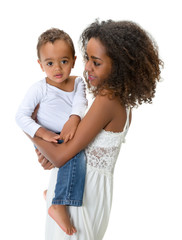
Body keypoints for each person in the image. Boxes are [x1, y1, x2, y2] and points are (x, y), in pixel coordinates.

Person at [27, 20, 163, 240]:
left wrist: (29, 126)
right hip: (85, 193)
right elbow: (77, 150)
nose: (87, 67)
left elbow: (62, 156)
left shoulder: (107, 100)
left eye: (96, 62)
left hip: (80, 197)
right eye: (87, 58)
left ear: (118, 66)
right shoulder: (121, 103)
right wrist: (47, 153)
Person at [15, 28, 88, 235]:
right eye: (50, 63)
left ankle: (52, 193)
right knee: (74, 157)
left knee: (80, 156)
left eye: (64, 61)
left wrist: (74, 119)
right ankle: (59, 203)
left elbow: (81, 102)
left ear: (73, 61)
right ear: (40, 65)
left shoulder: (77, 82)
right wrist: (43, 134)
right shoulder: (40, 88)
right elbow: (21, 116)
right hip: (52, 136)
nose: (57, 68)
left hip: (72, 130)